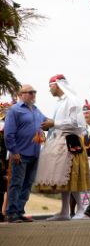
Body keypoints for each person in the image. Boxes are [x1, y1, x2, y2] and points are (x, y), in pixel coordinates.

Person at [34, 75, 90, 220]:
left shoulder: (72, 100)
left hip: (70, 141)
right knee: (63, 179)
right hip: (59, 141)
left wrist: (54, 123)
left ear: (58, 85)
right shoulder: (60, 102)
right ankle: (65, 211)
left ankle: (83, 210)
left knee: (72, 176)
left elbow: (76, 123)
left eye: (50, 86)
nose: (49, 89)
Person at [4, 85, 48, 222]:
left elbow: (46, 121)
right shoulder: (14, 110)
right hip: (20, 154)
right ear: (21, 94)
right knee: (16, 184)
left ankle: (19, 211)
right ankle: (11, 213)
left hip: (35, 154)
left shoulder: (36, 110)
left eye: (34, 92)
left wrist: (57, 122)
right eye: (30, 92)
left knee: (27, 184)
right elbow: (8, 133)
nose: (33, 94)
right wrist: (14, 151)